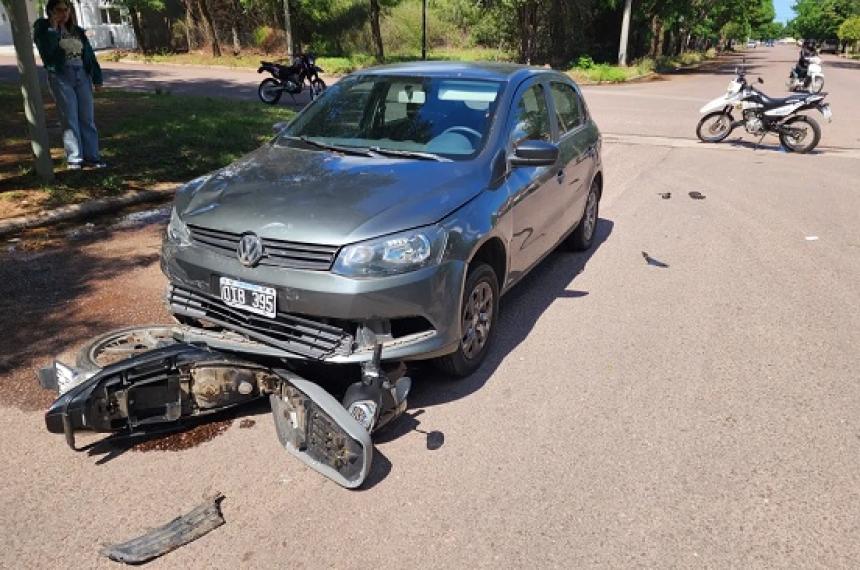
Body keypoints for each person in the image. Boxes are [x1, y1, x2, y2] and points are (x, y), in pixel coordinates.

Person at [33, 0, 105, 170]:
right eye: (59, 10)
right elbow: (47, 51)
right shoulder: (43, 28)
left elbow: (89, 55)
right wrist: (52, 27)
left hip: (82, 74)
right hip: (61, 75)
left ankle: (92, 157)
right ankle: (75, 159)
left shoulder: (76, 30)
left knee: (87, 118)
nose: (64, 13)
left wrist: (97, 78)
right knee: (70, 118)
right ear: (50, 11)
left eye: (67, 10)